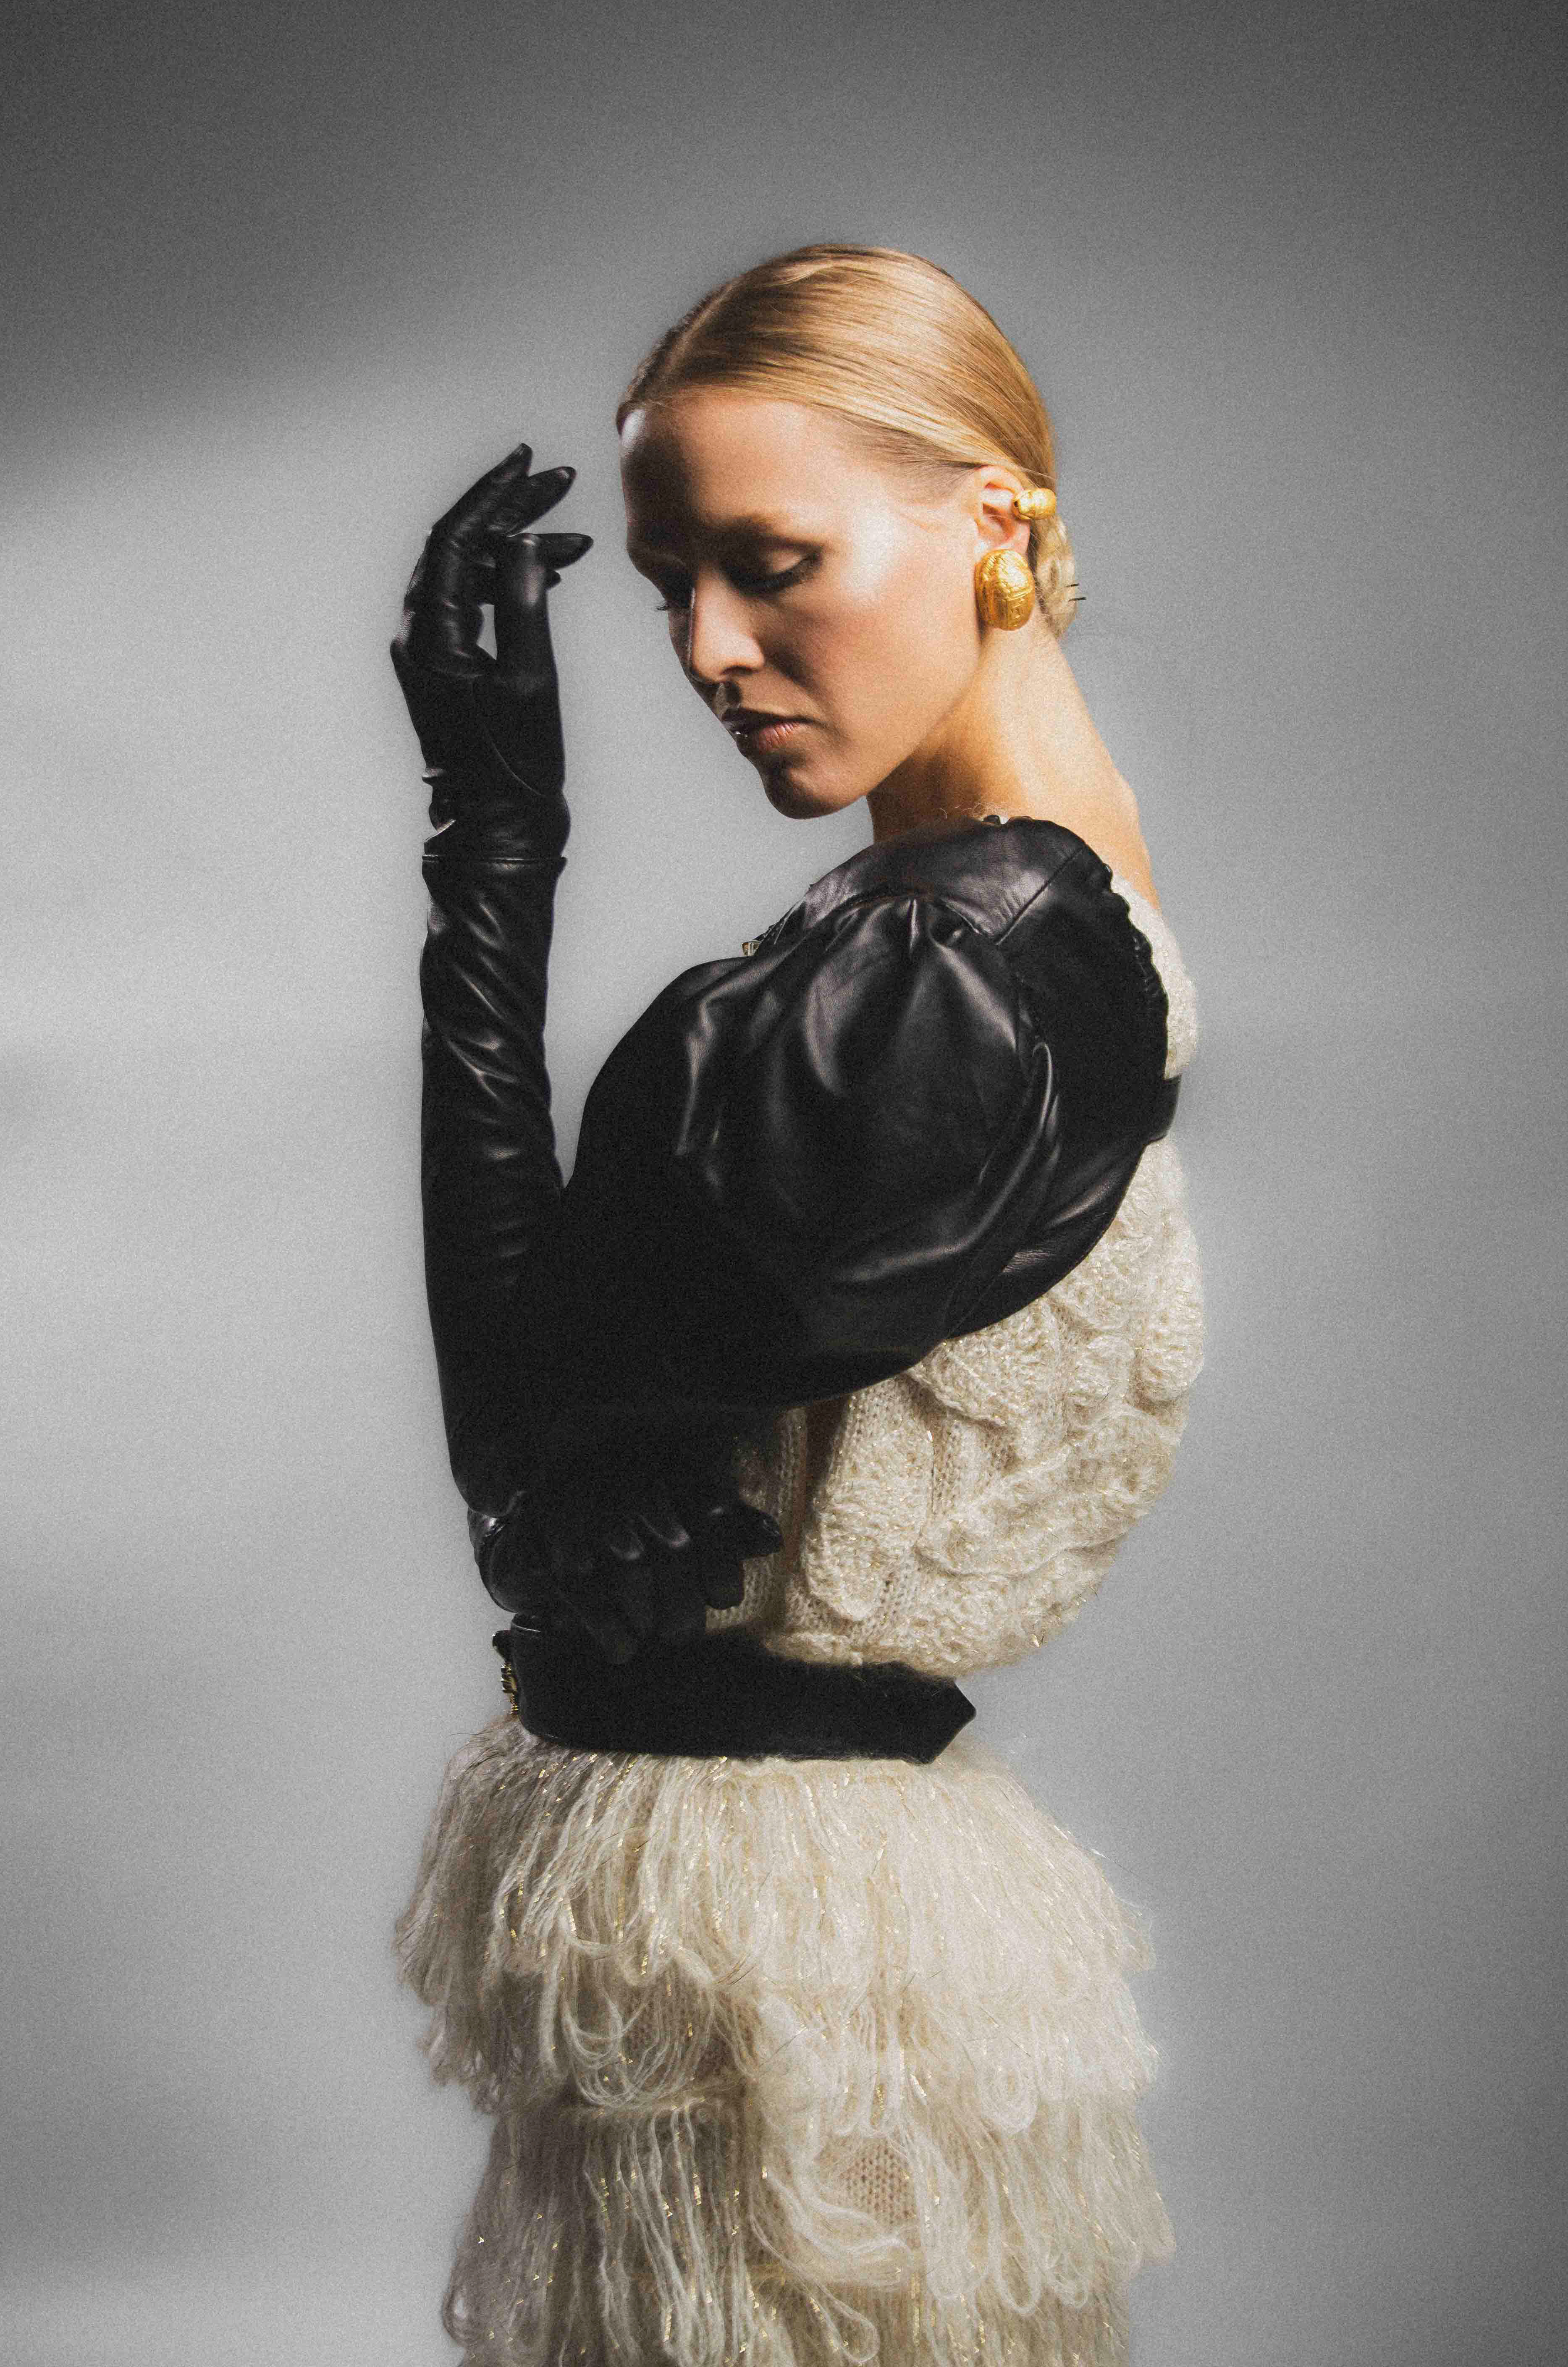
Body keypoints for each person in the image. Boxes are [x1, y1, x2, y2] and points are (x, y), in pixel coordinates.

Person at [391, 244, 1204, 2367]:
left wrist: (494, 845)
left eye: (774, 565)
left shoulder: (966, 969)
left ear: (994, 521)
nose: (709, 650)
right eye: (672, 585)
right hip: (779, 1917)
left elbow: (529, 1458)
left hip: (776, 1951)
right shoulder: (976, 918)